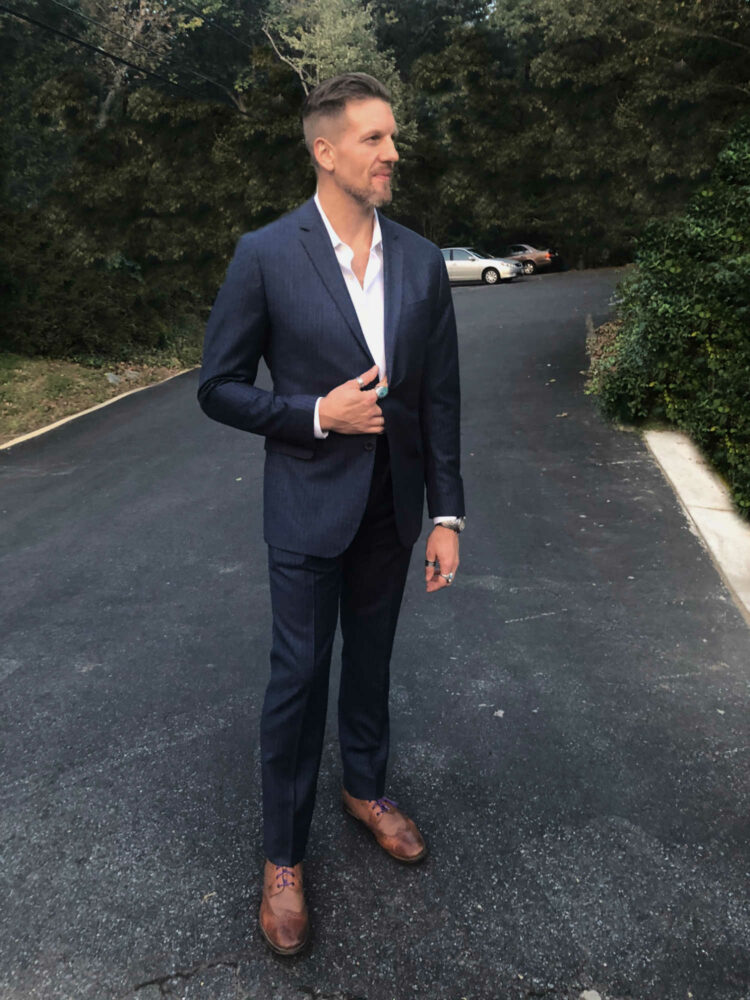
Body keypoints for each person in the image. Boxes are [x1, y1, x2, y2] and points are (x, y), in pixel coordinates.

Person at [198, 72, 465, 955]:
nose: (394, 154)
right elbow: (221, 389)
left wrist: (448, 517)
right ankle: (282, 856)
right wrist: (316, 414)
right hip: (307, 506)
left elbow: (441, 402)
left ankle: (365, 788)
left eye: (394, 138)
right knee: (296, 681)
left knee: (372, 665)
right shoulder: (265, 254)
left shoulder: (423, 261)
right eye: (375, 140)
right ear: (325, 150)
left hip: (394, 508)